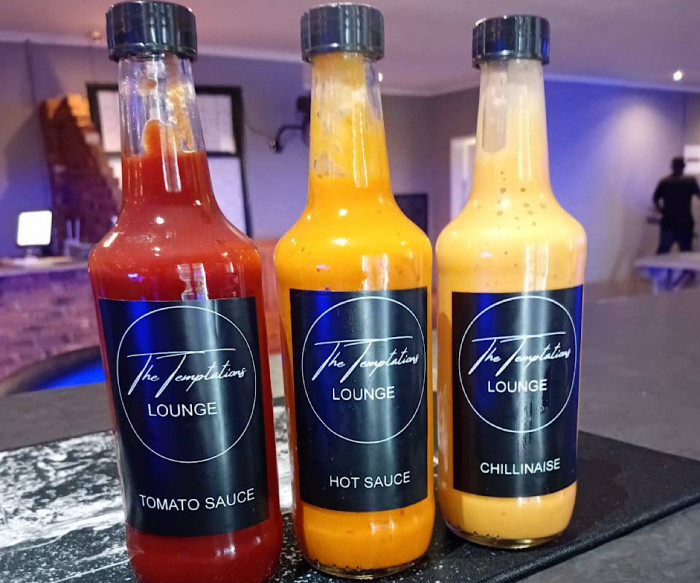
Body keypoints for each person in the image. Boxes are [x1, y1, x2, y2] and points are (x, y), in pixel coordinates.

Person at [653, 156, 700, 253]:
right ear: (683, 167)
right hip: (682, 223)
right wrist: (661, 210)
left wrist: (662, 211)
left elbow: (655, 199)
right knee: (685, 253)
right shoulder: (689, 181)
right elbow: (655, 199)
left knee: (664, 252)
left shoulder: (665, 181)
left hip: (671, 222)